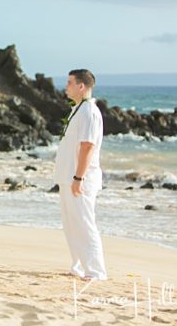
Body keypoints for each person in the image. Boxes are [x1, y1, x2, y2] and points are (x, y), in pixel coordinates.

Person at [54, 69, 107, 280]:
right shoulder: (77, 109)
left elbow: (87, 147)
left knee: (84, 223)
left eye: (69, 83)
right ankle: (78, 265)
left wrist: (78, 178)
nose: (66, 87)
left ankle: (96, 270)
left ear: (81, 86)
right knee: (71, 223)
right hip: (68, 176)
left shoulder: (89, 112)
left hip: (81, 178)